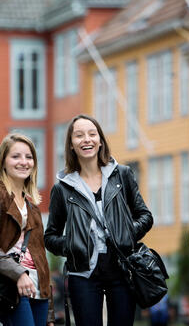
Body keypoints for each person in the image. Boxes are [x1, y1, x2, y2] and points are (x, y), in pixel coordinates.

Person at [44, 114, 153, 326]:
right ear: (71, 145)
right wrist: (74, 244)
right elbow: (50, 236)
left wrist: (126, 234)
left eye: (92, 134)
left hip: (122, 267)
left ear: (100, 140)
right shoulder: (62, 187)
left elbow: (145, 216)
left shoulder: (122, 175)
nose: (86, 139)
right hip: (83, 273)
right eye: (79, 135)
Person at [0, 133, 54, 326]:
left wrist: (50, 314)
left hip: (38, 291)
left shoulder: (33, 207)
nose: (24, 162)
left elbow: (41, 259)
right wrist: (19, 273)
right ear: (3, 162)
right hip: (11, 288)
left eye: (29, 157)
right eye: (16, 156)